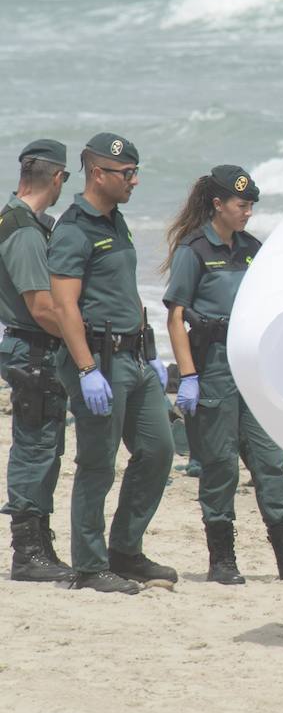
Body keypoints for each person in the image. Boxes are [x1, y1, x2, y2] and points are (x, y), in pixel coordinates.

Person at [162, 165, 283, 585]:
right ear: (218, 204)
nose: (248, 213)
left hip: (251, 367)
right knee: (220, 465)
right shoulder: (194, 250)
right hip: (213, 366)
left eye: (251, 205)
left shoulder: (251, 248)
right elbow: (176, 317)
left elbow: (281, 288)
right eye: (242, 205)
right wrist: (188, 376)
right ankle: (222, 560)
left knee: (269, 461)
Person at [48, 133, 174, 594]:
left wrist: (155, 353)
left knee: (158, 451)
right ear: (98, 173)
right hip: (98, 361)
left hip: (136, 356)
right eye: (127, 173)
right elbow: (64, 307)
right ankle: (89, 565)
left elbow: (128, 292)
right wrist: (85, 371)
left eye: (136, 172)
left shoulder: (115, 222)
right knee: (98, 464)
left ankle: (125, 550)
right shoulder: (73, 229)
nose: (134, 181)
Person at [2, 140, 74, 581]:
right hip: (33, 347)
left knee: (44, 445)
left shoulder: (23, 221)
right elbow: (43, 309)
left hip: (32, 346)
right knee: (36, 448)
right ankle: (28, 553)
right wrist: (82, 346)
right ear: (59, 178)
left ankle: (38, 546)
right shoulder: (24, 229)